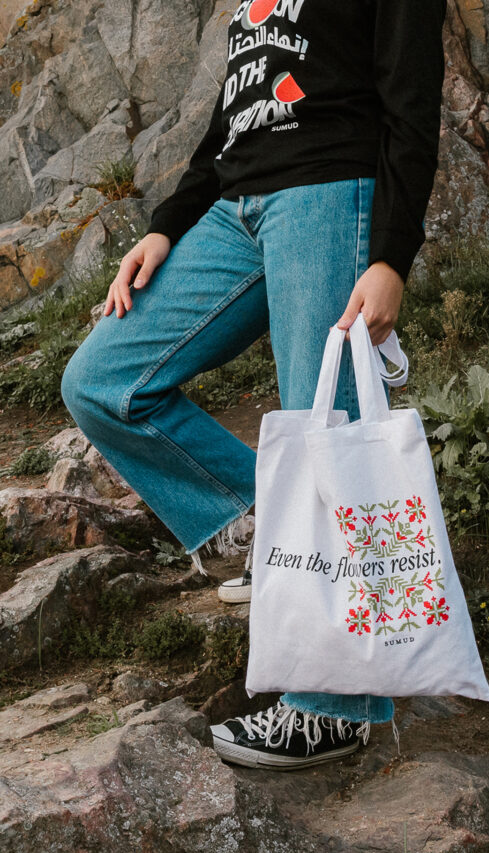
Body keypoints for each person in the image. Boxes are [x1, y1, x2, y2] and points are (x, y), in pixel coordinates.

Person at [61, 0, 447, 770]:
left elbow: (413, 92)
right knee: (103, 381)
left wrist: (391, 257)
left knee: (321, 437)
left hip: (328, 193)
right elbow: (234, 113)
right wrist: (166, 224)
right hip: (231, 210)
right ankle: (274, 541)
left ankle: (330, 708)